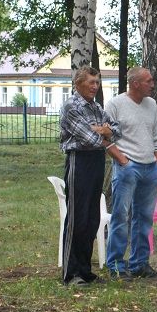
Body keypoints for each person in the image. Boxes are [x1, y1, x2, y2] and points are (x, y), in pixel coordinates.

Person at [59, 66, 121, 286]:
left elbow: (117, 130)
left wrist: (104, 130)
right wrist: (102, 133)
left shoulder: (96, 107)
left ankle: (86, 271)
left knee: (92, 218)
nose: (95, 86)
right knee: (77, 218)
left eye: (97, 82)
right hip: (79, 161)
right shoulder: (71, 107)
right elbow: (88, 139)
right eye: (91, 82)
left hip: (96, 162)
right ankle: (70, 273)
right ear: (78, 84)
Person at [103, 67, 157, 280]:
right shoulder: (115, 104)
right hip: (127, 167)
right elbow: (104, 137)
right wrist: (122, 160)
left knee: (144, 217)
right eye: (148, 81)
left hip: (150, 168)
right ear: (135, 83)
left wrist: (156, 158)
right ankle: (117, 265)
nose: (152, 84)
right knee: (121, 216)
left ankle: (139, 263)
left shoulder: (152, 104)